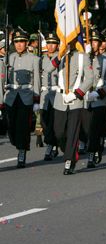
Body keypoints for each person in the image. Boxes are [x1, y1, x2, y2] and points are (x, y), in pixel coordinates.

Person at [1, 28, 41, 168]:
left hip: (26, 95)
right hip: (11, 96)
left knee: (23, 126)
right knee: (11, 126)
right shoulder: (8, 58)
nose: (19, 45)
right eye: (16, 42)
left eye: (22, 42)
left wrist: (36, 99)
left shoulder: (34, 59)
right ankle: (17, 142)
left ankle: (22, 151)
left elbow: (36, 80)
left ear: (26, 43)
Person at [54, 47, 94, 175]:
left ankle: (69, 160)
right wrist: (60, 56)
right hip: (60, 99)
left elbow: (89, 79)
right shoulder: (59, 55)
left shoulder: (83, 57)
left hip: (75, 100)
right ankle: (68, 150)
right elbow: (49, 69)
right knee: (59, 132)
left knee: (72, 132)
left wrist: (77, 94)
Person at [84, 29, 106, 168]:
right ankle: (96, 145)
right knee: (86, 128)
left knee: (95, 128)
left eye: (96, 41)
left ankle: (92, 154)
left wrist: (100, 92)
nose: (93, 44)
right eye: (91, 41)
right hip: (85, 98)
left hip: (99, 98)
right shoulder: (84, 58)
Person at [40, 32, 61, 160]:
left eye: (53, 43)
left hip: (56, 94)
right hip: (44, 95)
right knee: (44, 122)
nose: (50, 46)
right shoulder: (41, 59)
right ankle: (52, 143)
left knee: (54, 123)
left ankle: (51, 146)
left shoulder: (60, 58)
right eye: (48, 43)